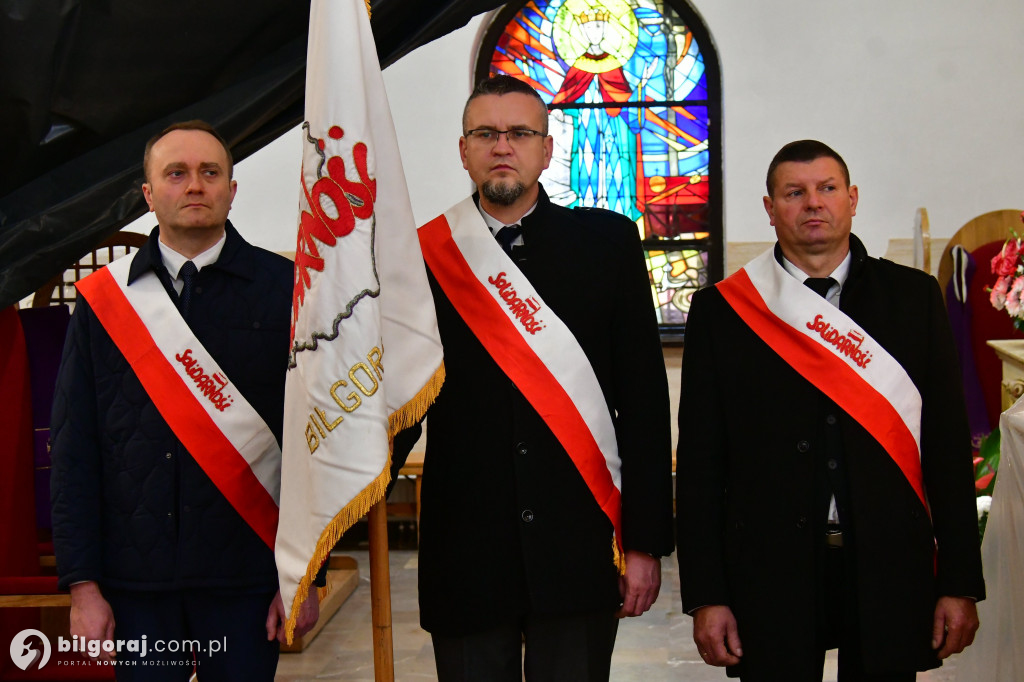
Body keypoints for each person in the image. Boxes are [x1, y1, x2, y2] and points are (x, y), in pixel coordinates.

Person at [396, 75, 674, 680]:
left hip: (579, 545)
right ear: (463, 150)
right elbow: (394, 403)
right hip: (466, 550)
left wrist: (645, 542)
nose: (503, 146)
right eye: (486, 134)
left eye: (520, 133)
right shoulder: (420, 256)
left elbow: (645, 404)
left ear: (547, 151)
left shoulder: (607, 245)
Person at [676, 139, 986, 680]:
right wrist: (706, 595)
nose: (813, 203)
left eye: (827, 188)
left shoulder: (912, 299)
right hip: (769, 568)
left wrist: (958, 580)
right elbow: (702, 464)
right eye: (794, 193)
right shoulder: (722, 312)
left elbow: (946, 449)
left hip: (888, 563)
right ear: (770, 210)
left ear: (853, 198)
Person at [49, 121, 318, 681]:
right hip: (135, 585)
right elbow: (73, 450)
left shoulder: (288, 288)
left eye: (209, 172)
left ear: (231, 189)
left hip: (247, 579)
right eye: (176, 173)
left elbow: (311, 444)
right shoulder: (104, 301)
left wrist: (304, 576)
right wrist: (83, 584)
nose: (194, 185)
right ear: (148, 194)